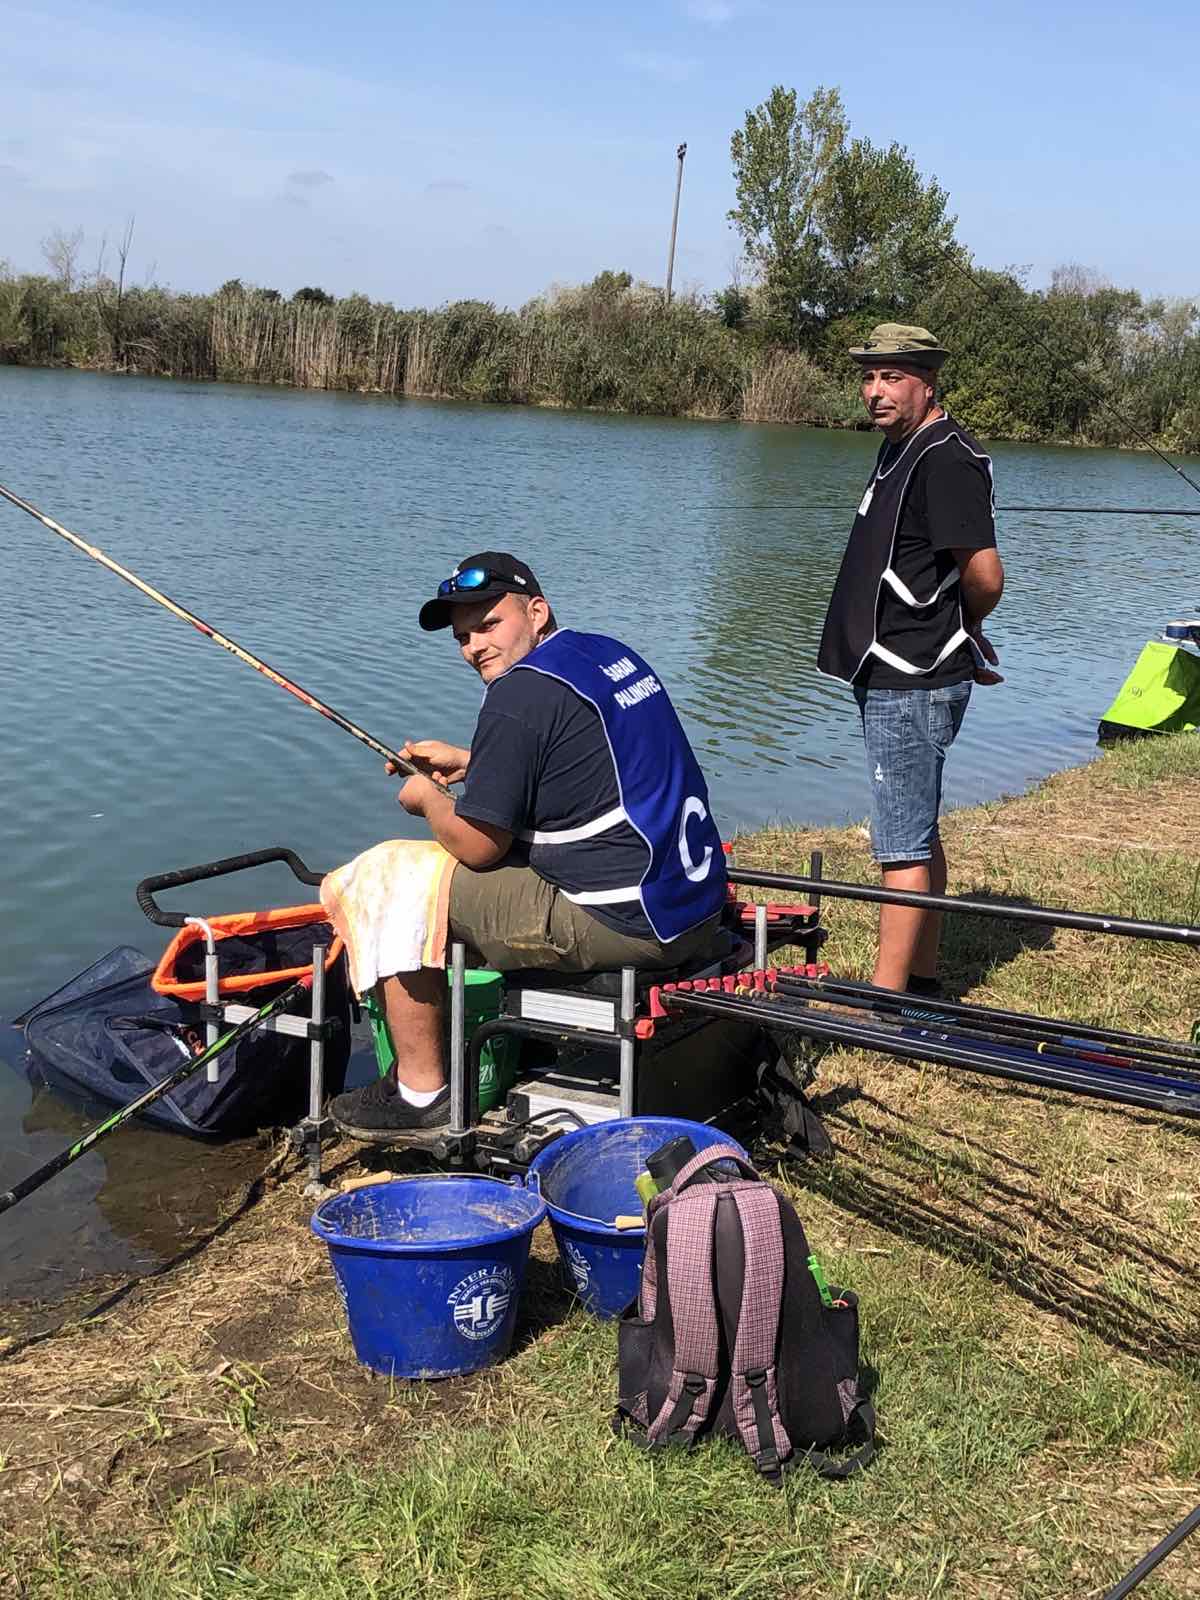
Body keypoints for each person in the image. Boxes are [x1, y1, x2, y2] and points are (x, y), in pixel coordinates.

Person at [328, 551, 727, 1142]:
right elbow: (584, 764)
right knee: (413, 870)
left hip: (623, 919)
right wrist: (475, 765)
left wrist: (430, 802)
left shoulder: (518, 695)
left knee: (383, 879)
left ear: (536, 612)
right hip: (691, 903)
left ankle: (419, 1094)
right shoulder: (607, 655)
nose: (474, 648)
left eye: (489, 625)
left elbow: (480, 847)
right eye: (463, 638)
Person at [817, 323, 1004, 995]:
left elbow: (985, 573)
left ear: (928, 381)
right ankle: (920, 981)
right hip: (898, 669)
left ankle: (884, 1002)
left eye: (892, 377)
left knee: (899, 845)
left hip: (912, 677)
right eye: (868, 376)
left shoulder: (945, 458)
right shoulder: (904, 445)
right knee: (917, 831)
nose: (875, 390)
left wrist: (963, 626)